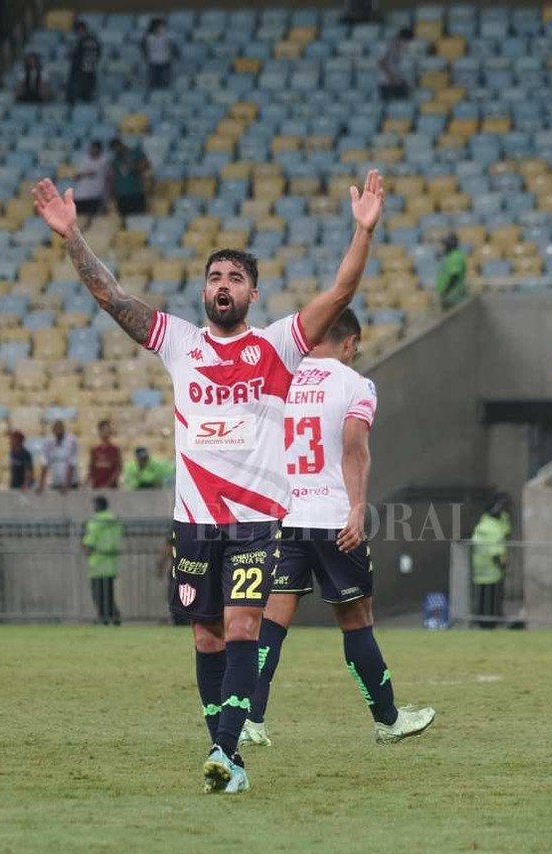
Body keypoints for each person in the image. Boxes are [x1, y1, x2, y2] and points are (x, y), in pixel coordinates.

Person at [31, 163, 385, 794]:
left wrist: (362, 233)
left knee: (245, 626)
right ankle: (222, 746)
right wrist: (71, 238)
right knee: (206, 633)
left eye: (236, 278)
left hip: (255, 523)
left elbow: (338, 294)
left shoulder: (277, 346)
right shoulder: (180, 342)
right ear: (205, 291)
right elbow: (114, 298)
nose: (224, 285)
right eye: (215, 277)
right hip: (193, 522)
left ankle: (227, 755)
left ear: (253, 293)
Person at [243, 307, 435, 748]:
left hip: (282, 517)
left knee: (270, 621)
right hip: (332, 519)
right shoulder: (355, 384)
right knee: (355, 620)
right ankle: (388, 720)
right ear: (350, 341)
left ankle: (251, 720)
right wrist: (357, 508)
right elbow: (354, 449)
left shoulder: (280, 378)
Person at [470, 493, 513, 628]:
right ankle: (489, 622)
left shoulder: (483, 522)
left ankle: (483, 620)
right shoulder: (494, 528)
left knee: (482, 597)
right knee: (491, 598)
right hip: (492, 569)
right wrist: (503, 563)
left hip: (479, 567)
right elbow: (496, 550)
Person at [83, 495, 123, 625]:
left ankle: (104, 618)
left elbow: (90, 541)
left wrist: (85, 548)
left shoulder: (95, 521)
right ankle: (113, 616)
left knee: (98, 594)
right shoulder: (115, 520)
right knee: (109, 594)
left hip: (98, 563)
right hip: (111, 563)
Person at [110, 138, 150, 217]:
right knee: (124, 218)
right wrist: (113, 194)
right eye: (114, 149)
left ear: (121, 145)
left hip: (136, 192)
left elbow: (145, 165)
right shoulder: (115, 160)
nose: (116, 151)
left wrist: (133, 167)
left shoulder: (135, 153)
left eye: (117, 148)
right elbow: (113, 177)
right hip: (121, 195)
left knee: (138, 217)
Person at [70, 141, 110, 216]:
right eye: (91, 148)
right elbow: (76, 176)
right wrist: (85, 174)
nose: (92, 150)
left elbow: (108, 177)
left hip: (95, 195)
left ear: (99, 150)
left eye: (94, 149)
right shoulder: (84, 160)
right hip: (80, 196)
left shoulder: (104, 161)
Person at [38, 419, 78, 491]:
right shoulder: (48, 442)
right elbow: (45, 463)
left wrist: (66, 484)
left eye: (60, 429)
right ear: (53, 431)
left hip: (70, 484)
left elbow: (72, 463)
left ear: (64, 429)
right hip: (56, 483)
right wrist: (41, 484)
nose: (58, 431)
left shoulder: (71, 441)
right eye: (56, 429)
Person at [67, 20, 101, 104]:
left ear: (81, 29)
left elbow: (89, 63)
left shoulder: (89, 42)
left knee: (85, 103)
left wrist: (82, 82)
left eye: (76, 31)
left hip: (84, 77)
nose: (76, 34)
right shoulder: (79, 41)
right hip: (77, 75)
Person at [378, 27, 414, 101]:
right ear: (401, 38)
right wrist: (391, 78)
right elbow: (381, 63)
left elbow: (395, 66)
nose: (406, 44)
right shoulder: (387, 46)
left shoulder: (399, 49)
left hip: (396, 82)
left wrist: (402, 79)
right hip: (387, 83)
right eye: (406, 41)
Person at [141, 18, 175, 92]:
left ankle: (164, 91)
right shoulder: (148, 38)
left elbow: (171, 49)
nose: (162, 28)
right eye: (161, 27)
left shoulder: (167, 37)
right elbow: (144, 49)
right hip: (153, 62)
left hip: (165, 61)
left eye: (163, 27)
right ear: (155, 28)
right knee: (153, 80)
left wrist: (169, 56)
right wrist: (146, 57)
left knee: (165, 80)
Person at [88, 418, 121, 488]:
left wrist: (109, 484)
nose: (106, 433)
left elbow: (118, 468)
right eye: (104, 430)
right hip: (97, 486)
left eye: (108, 431)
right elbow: (91, 468)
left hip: (111, 487)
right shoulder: (95, 450)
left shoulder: (115, 449)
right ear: (99, 432)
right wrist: (89, 481)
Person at [436, 233, 468, 309]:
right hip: (449, 295)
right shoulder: (450, 256)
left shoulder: (455, 257)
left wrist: (446, 292)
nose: (442, 247)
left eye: (444, 244)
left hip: (453, 296)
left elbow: (454, 277)